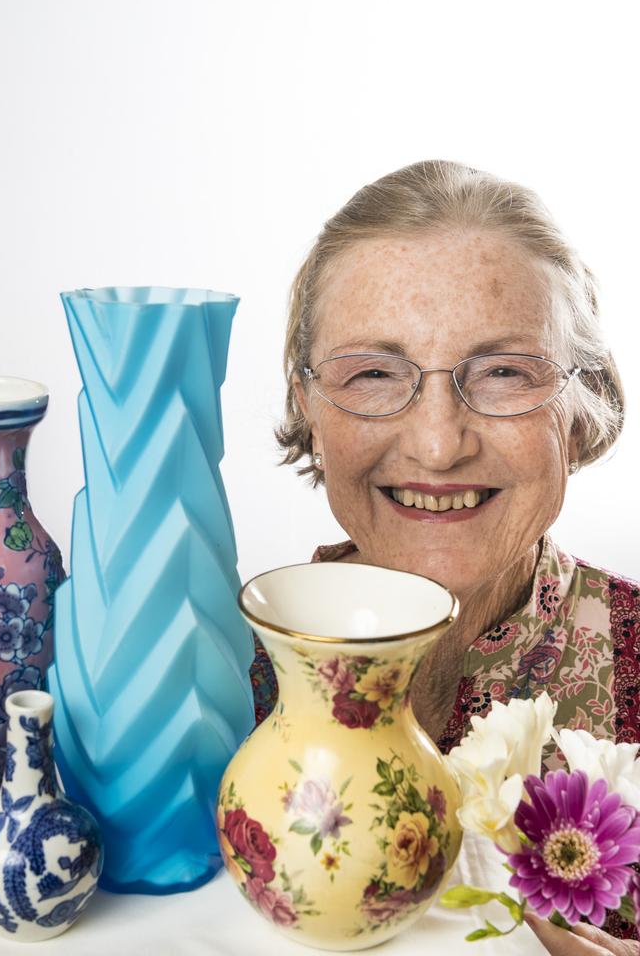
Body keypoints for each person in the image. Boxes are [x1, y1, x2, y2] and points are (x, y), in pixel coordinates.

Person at [249, 160, 639, 953]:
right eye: (373, 374)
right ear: (309, 411)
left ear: (580, 401)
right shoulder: (208, 675)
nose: (437, 442)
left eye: (501, 373)